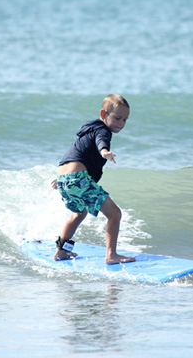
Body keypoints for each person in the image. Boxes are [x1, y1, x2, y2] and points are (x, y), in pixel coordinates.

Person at [50, 94, 136, 265]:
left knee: (79, 213)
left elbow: (76, 153)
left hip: (65, 178)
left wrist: (61, 178)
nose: (121, 123)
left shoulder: (88, 130)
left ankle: (60, 251)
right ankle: (111, 255)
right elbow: (101, 142)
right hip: (76, 179)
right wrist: (104, 152)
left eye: (125, 120)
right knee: (114, 214)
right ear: (103, 114)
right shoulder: (102, 131)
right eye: (118, 118)